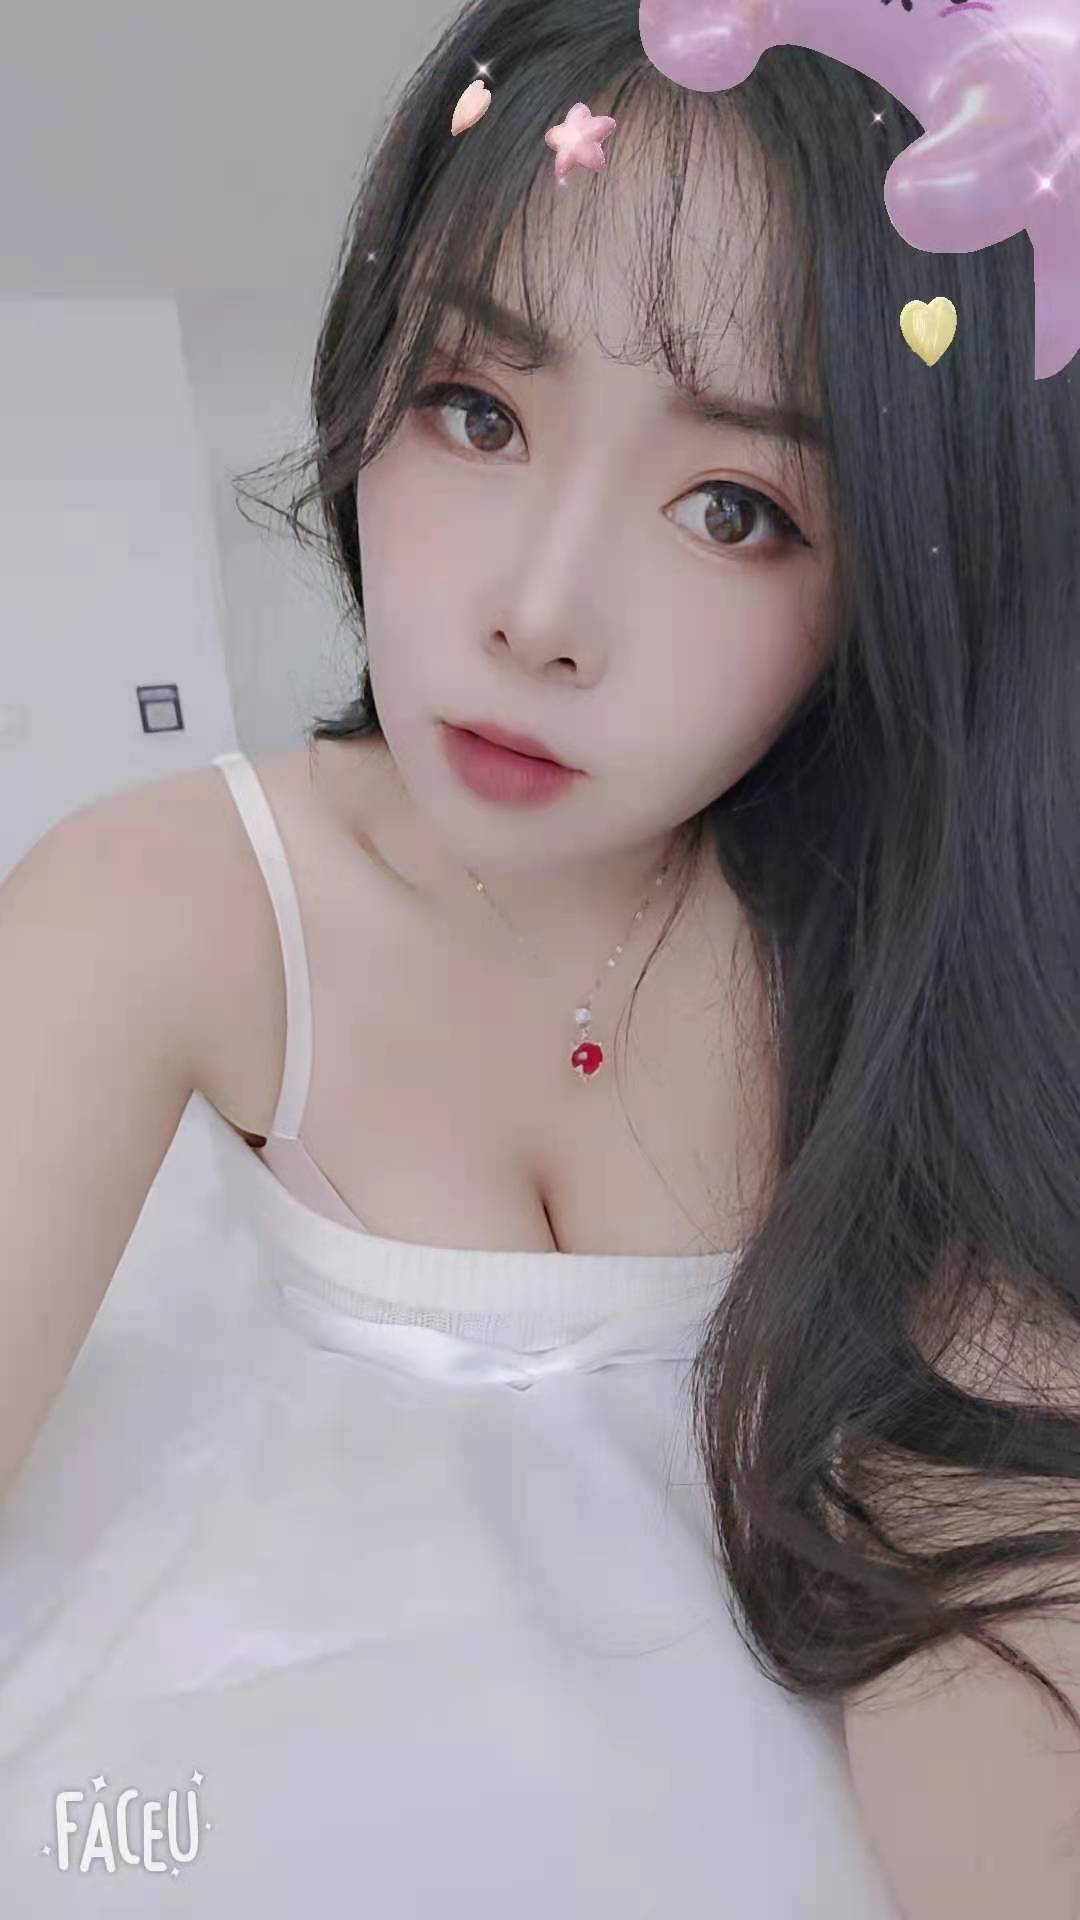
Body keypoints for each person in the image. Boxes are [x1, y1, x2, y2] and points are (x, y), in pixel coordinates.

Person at [1, 1, 1078, 1912]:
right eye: (476, 411)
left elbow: (1004, 1703)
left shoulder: (911, 984)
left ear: (900, 577)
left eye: (734, 508)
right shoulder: (167, 903)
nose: (541, 613)